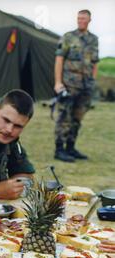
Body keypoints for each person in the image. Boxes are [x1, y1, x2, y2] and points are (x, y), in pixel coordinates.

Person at [53, 9, 99, 162]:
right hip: (69, 84)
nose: (80, 21)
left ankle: (71, 148)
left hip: (86, 87)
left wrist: (93, 80)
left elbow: (94, 63)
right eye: (78, 18)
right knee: (64, 117)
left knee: (77, 118)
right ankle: (59, 149)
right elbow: (59, 60)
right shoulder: (68, 37)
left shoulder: (93, 39)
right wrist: (58, 83)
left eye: (83, 18)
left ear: (89, 20)